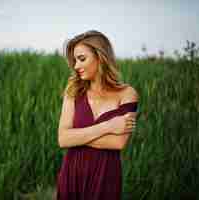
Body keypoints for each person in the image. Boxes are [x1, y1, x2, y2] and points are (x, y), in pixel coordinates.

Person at [56, 30, 139, 200]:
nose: (76, 66)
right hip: (72, 174)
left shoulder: (127, 93)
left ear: (100, 57)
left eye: (82, 59)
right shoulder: (73, 90)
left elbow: (118, 142)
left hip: (106, 177)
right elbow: (63, 139)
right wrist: (108, 126)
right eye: (74, 61)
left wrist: (77, 137)